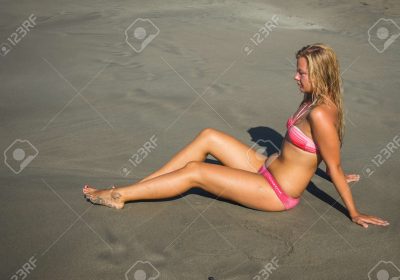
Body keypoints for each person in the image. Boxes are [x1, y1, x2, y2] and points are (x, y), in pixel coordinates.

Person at [83, 43, 389, 228]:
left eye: (301, 73)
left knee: (196, 172)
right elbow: (323, 151)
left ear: (319, 75)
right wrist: (332, 170)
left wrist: (353, 210)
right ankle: (141, 186)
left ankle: (119, 195)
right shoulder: (313, 99)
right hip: (264, 168)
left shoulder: (321, 112)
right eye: (297, 70)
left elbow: (330, 158)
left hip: (274, 192)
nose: (295, 77)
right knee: (208, 136)